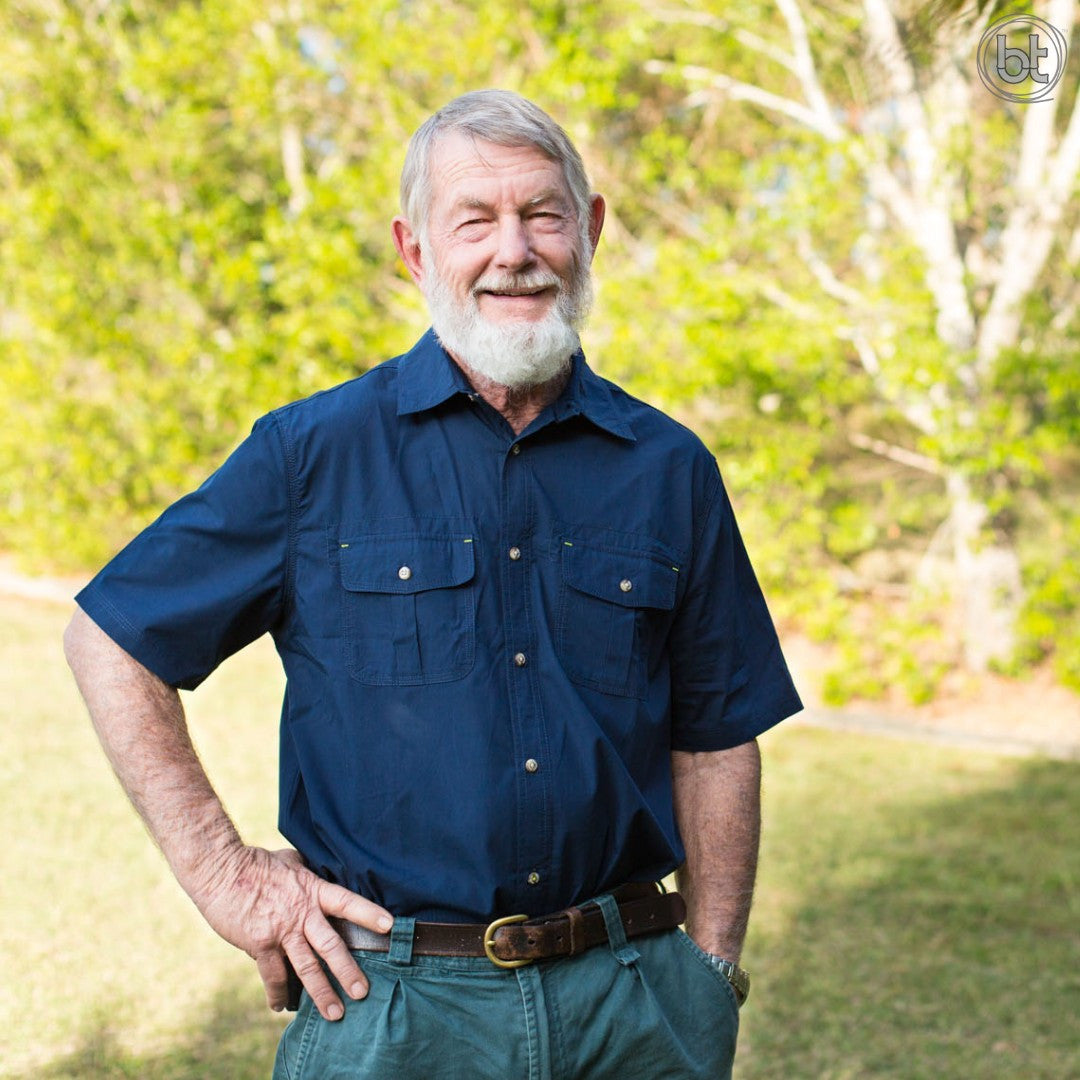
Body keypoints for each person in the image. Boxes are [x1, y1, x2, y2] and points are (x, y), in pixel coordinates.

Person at [65, 89, 802, 1079]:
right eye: (475, 221)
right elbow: (112, 639)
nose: (514, 250)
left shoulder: (667, 468)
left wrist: (710, 971)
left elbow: (715, 742)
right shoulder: (313, 454)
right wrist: (229, 880)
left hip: (633, 1009)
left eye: (543, 214)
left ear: (589, 231)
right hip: (395, 1015)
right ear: (417, 251)